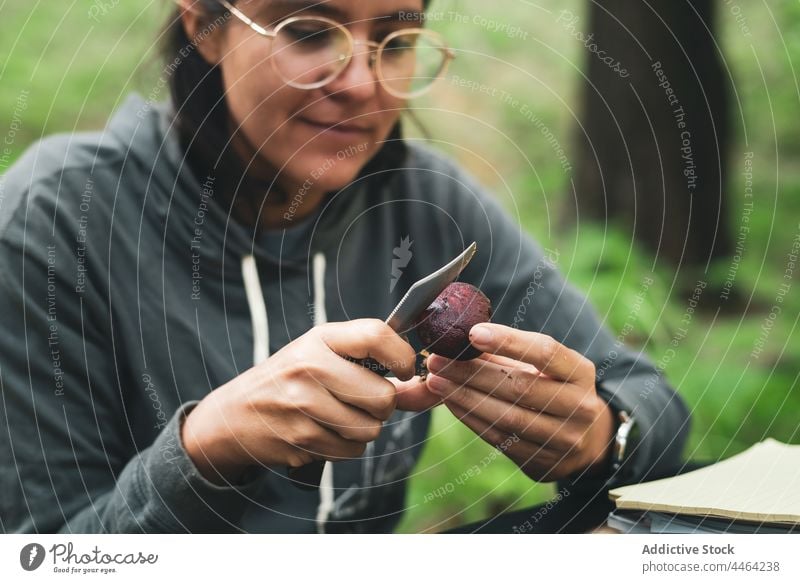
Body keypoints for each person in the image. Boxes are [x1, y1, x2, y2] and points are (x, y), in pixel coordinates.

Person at [0, 0, 690, 534]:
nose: (362, 82)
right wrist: (206, 447)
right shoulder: (55, 220)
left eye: (397, 39)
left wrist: (604, 434)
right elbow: (43, 557)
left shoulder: (423, 203)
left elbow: (650, 401)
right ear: (205, 24)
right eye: (308, 30)